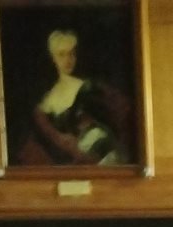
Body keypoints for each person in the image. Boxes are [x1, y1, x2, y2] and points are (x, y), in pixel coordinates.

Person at [20, 29, 133, 167]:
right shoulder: (46, 102)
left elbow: (121, 111)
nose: (68, 60)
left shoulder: (89, 86)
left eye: (71, 54)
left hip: (106, 154)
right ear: (53, 58)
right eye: (62, 55)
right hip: (75, 162)